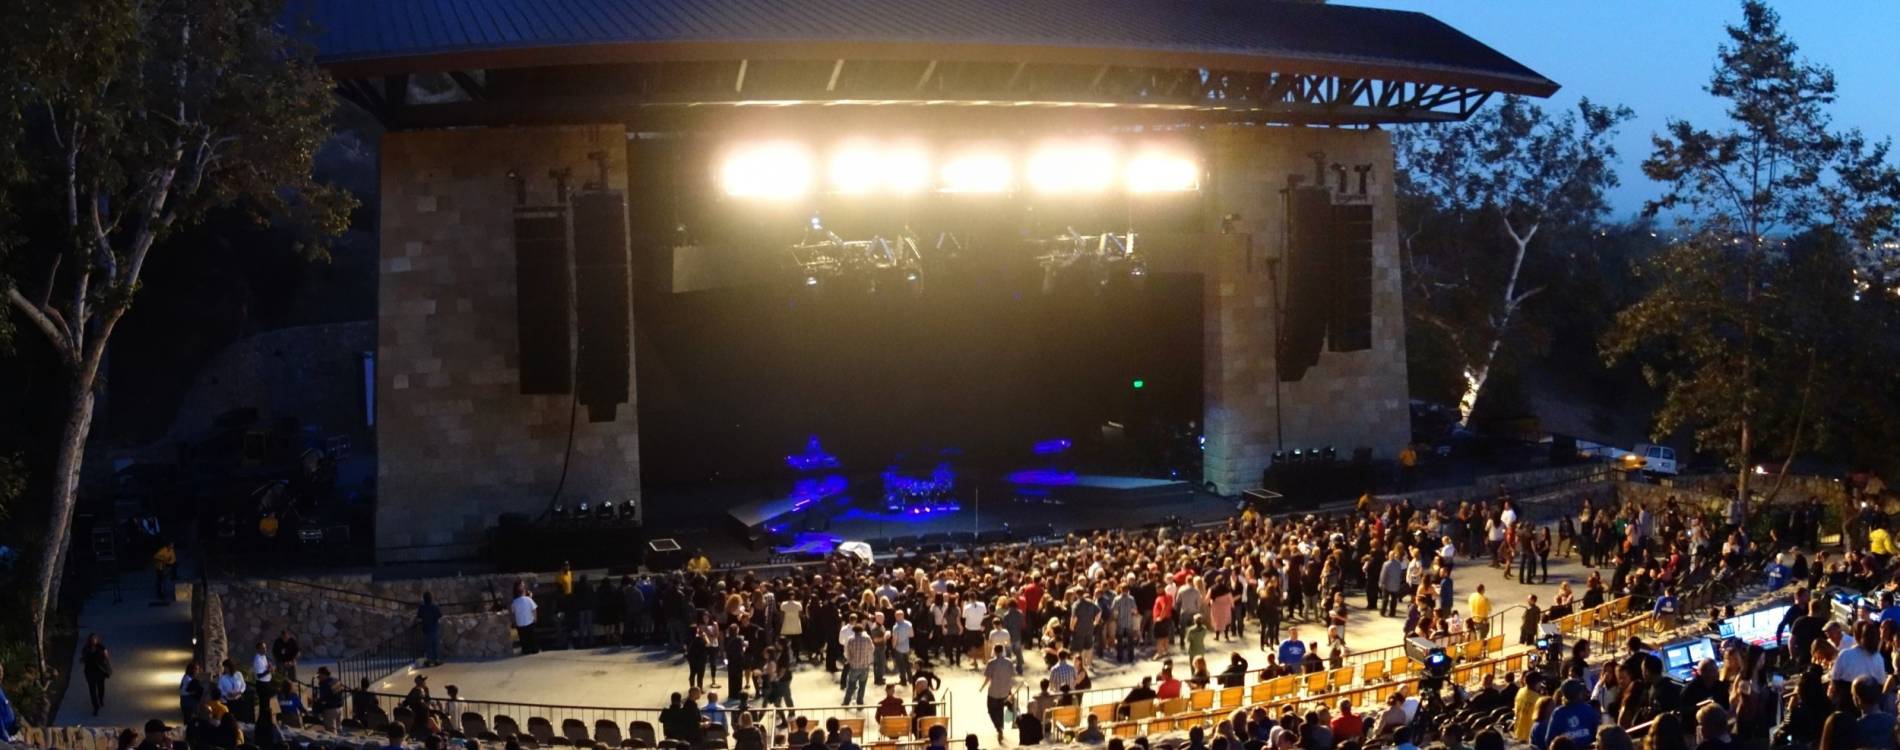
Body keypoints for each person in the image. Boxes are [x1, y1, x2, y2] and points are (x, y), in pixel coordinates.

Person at [980, 644, 1017, 746]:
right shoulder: (1009, 662)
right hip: (1005, 691)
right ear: (1003, 651)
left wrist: (982, 687)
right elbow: (1012, 676)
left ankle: (998, 728)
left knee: (991, 710)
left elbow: (988, 678)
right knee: (1000, 709)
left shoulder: (991, 663)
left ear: (995, 651)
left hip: (993, 691)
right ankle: (1001, 727)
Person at [81, 633, 112, 716]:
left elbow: (106, 659)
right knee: (92, 690)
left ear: (97, 639)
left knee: (101, 687)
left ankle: (101, 699)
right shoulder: (86, 649)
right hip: (90, 672)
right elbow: (83, 658)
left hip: (99, 672)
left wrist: (107, 670)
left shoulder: (101, 648)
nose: (93, 641)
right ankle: (96, 707)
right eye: (92, 639)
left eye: (94, 639)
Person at [843, 624, 874, 705]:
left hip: (854, 667)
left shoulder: (851, 640)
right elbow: (872, 649)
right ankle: (860, 701)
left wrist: (849, 661)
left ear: (854, 631)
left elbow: (848, 653)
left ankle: (846, 701)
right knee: (862, 685)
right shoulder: (867, 638)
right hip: (865, 666)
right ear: (862, 630)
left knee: (851, 685)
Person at [510, 582, 539, 655]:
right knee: (531, 637)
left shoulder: (515, 602)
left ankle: (526, 650)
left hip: (520, 623)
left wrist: (514, 621)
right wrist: (535, 618)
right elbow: (534, 609)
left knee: (523, 638)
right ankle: (534, 649)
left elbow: (513, 613)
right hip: (529, 621)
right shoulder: (528, 599)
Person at [418, 592, 444, 666]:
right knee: (435, 644)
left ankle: (429, 660)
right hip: (434, 627)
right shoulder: (434, 606)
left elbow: (419, 616)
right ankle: (436, 660)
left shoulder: (422, 607)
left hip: (426, 628)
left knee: (428, 645)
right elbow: (440, 615)